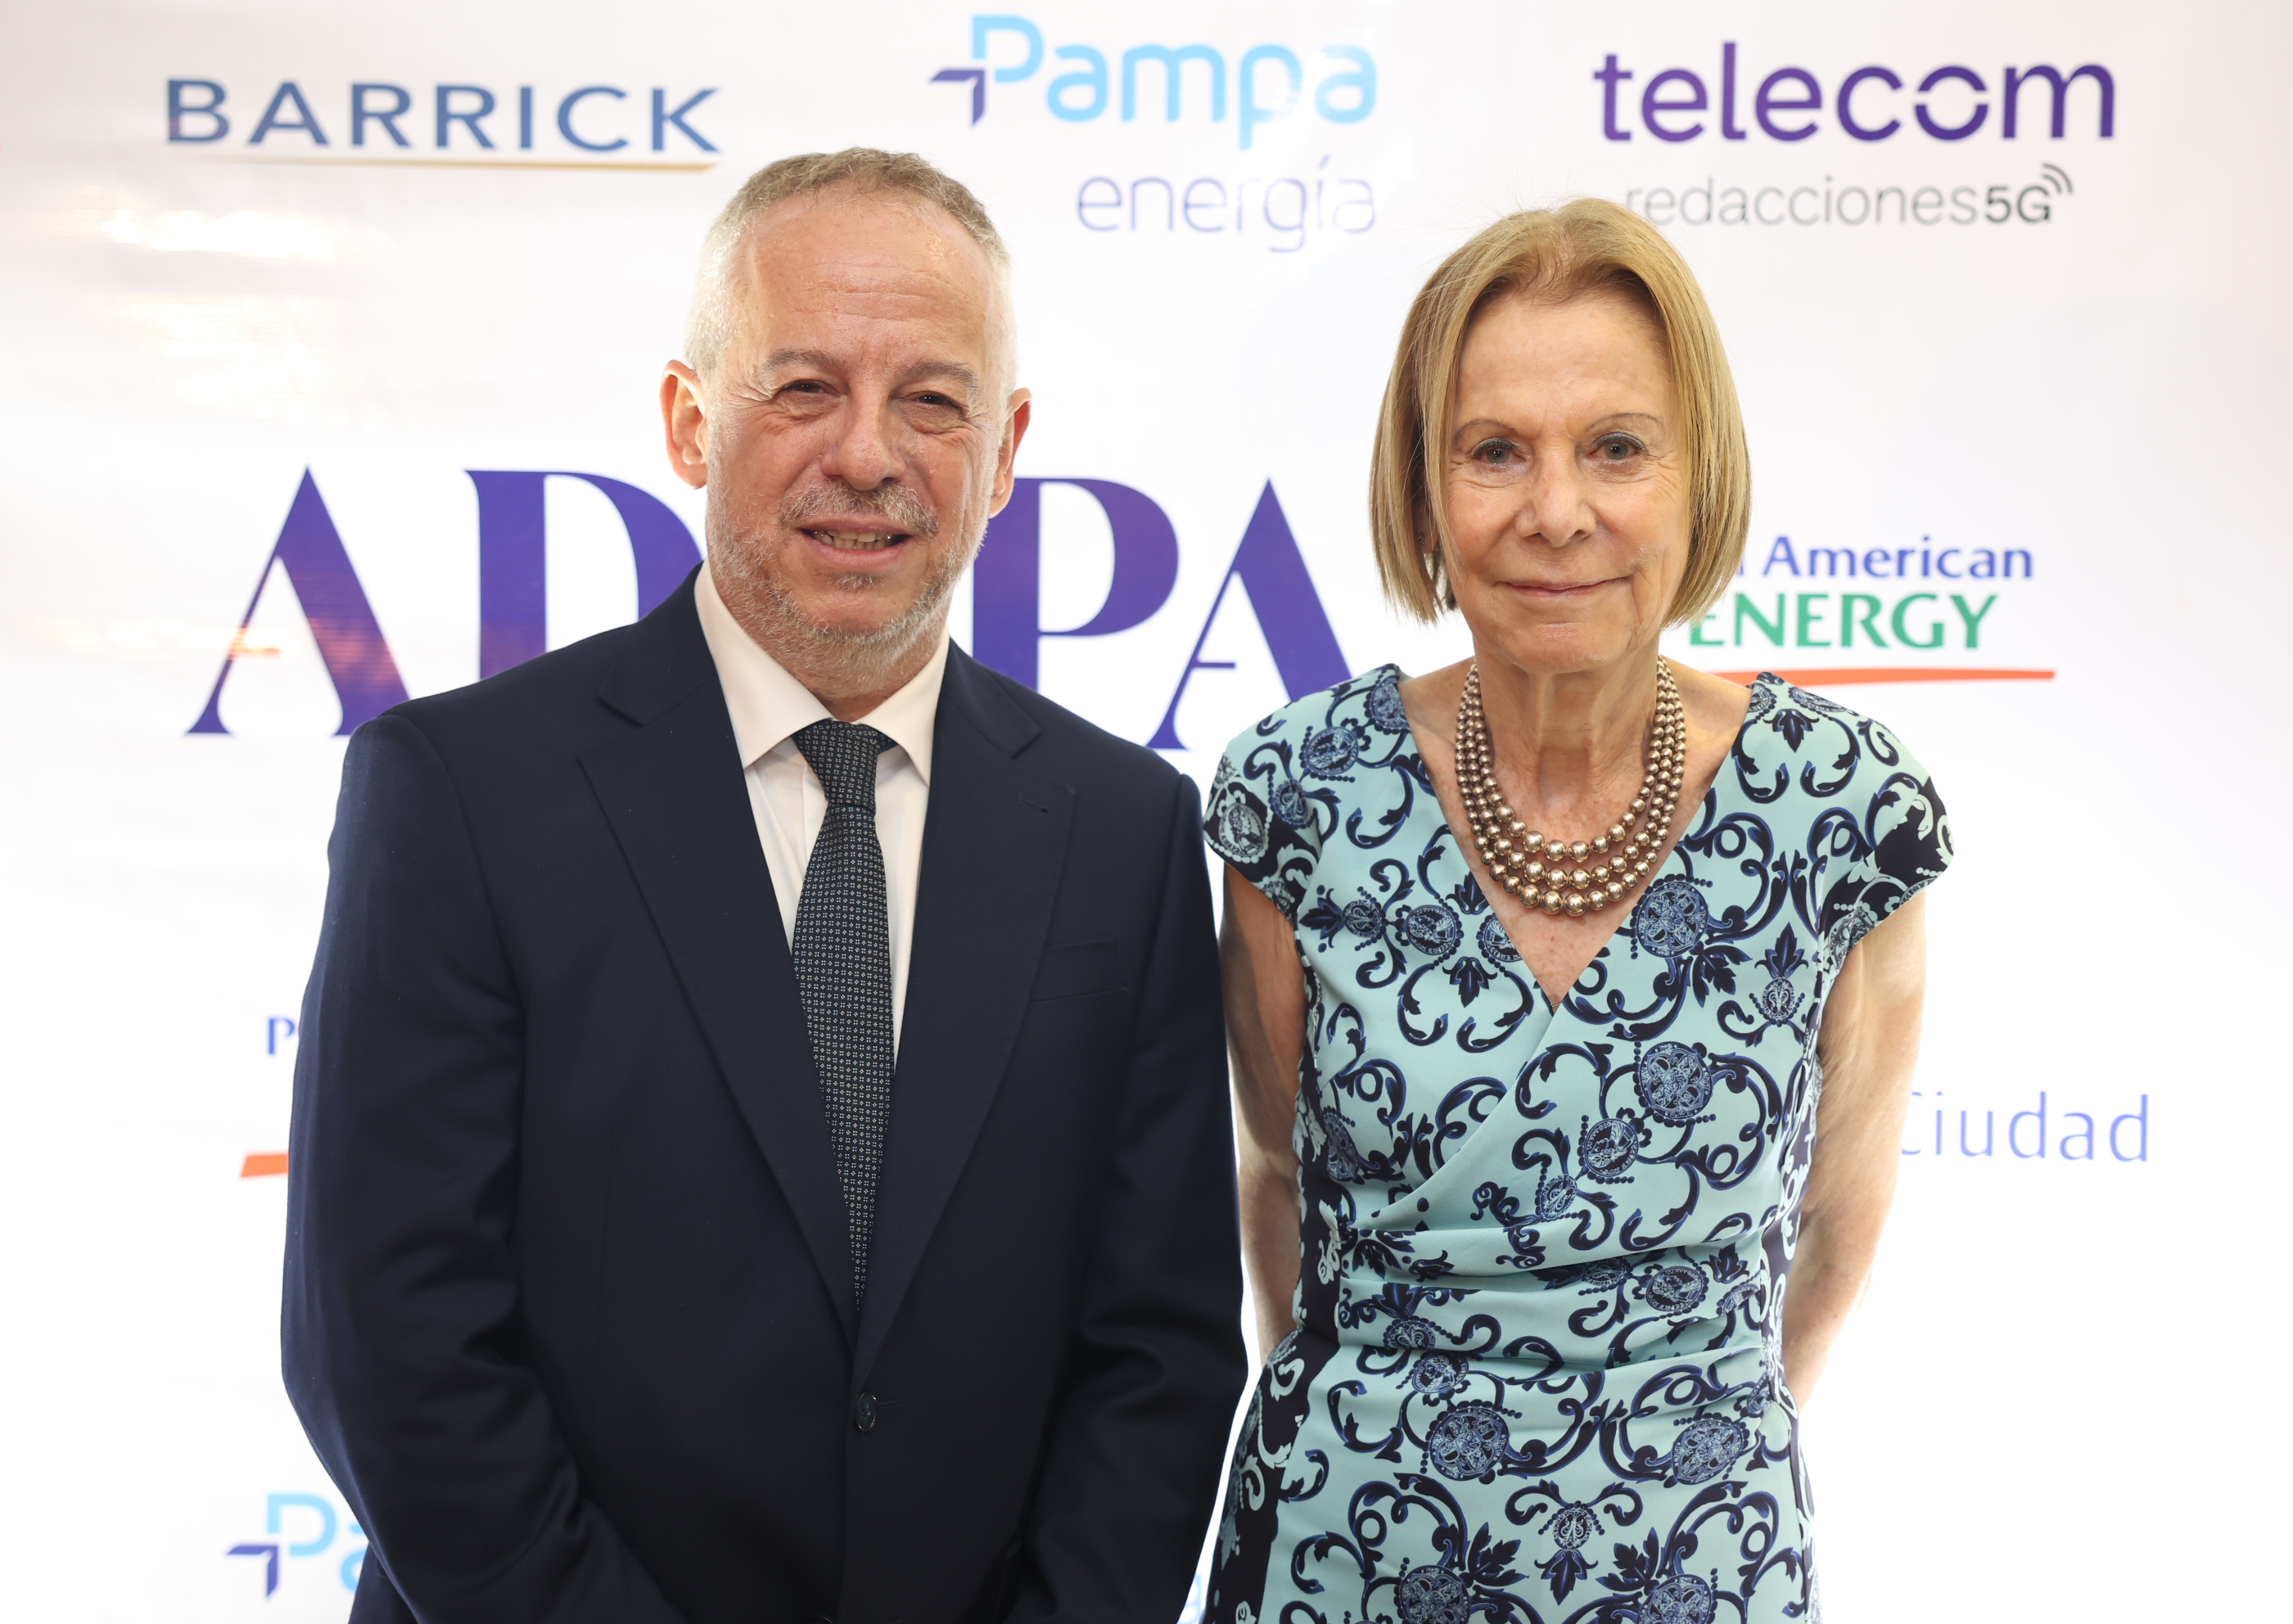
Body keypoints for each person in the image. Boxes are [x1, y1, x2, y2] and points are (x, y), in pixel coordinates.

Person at [282, 149, 1244, 1624]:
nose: (867, 454)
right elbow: (391, 1336)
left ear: (1004, 450)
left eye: (933, 398)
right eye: (803, 387)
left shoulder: (1124, 829)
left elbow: (1163, 1357)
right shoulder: (461, 793)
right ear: (689, 419)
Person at [1198, 200, 1951, 1622]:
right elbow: (1277, 1187)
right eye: (1495, 452)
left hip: (1699, 1556)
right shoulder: (1297, 793)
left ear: (1695, 477)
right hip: (1347, 1549)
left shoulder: (1842, 806)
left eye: (1617, 446)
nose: (1558, 510)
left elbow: (1840, 1223)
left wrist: (1693, 1442)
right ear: (1425, 496)